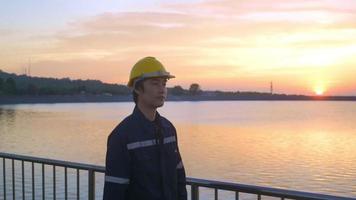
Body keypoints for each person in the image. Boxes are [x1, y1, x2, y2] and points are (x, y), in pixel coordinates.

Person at [103, 57, 187, 200]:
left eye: (164, 84)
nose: (162, 90)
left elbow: (179, 178)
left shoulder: (168, 129)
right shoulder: (122, 136)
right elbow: (114, 190)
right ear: (137, 88)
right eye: (155, 84)